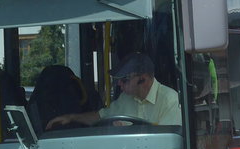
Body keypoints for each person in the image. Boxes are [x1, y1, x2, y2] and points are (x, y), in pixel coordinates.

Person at [47, 52, 180, 128]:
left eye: (124, 79)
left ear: (143, 79)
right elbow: (100, 117)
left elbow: (166, 145)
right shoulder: (125, 98)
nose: (119, 85)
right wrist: (72, 117)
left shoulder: (170, 101)